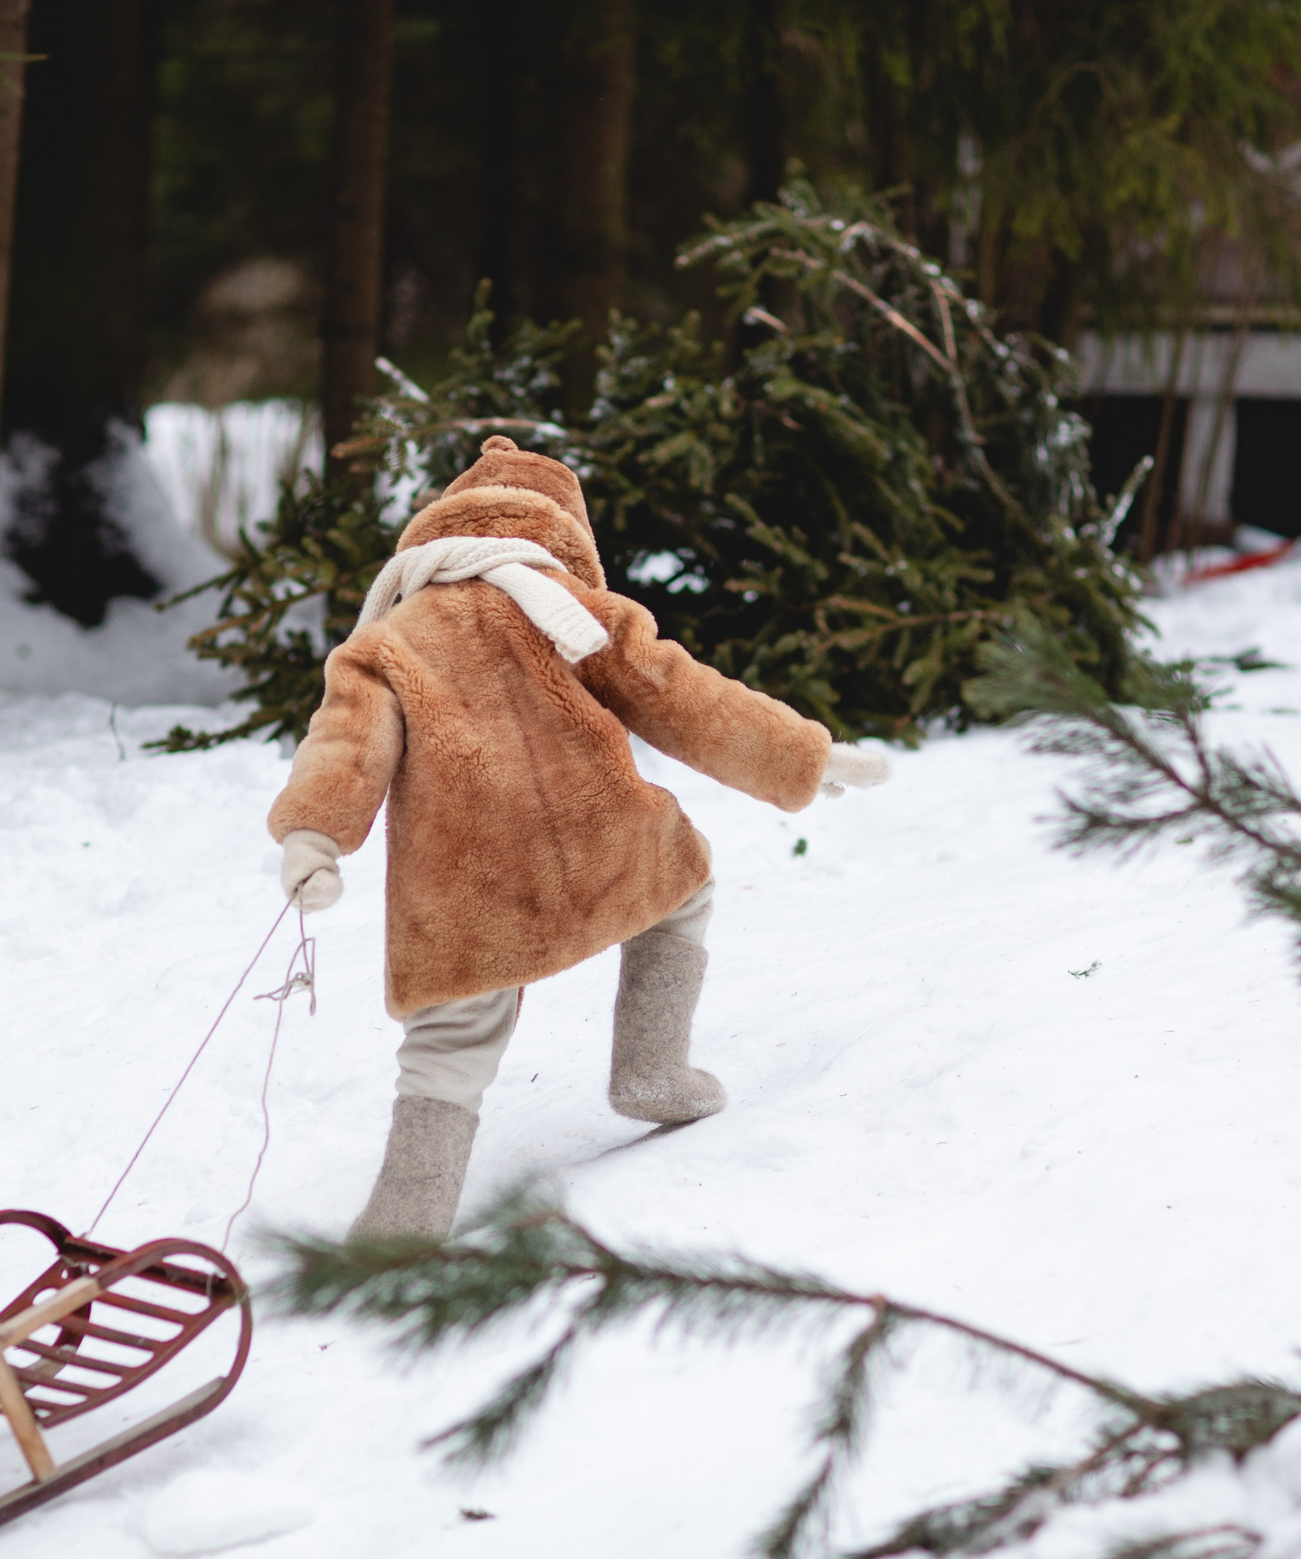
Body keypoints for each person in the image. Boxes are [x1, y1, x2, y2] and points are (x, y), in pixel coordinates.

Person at [267, 436, 889, 1239]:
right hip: (599, 844)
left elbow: (346, 745)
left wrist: (313, 836)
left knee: (450, 1046)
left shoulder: (388, 639)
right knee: (682, 883)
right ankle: (652, 1068)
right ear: (563, 534)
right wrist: (803, 756)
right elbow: (684, 697)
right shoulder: (572, 608)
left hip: (462, 883)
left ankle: (403, 1221)